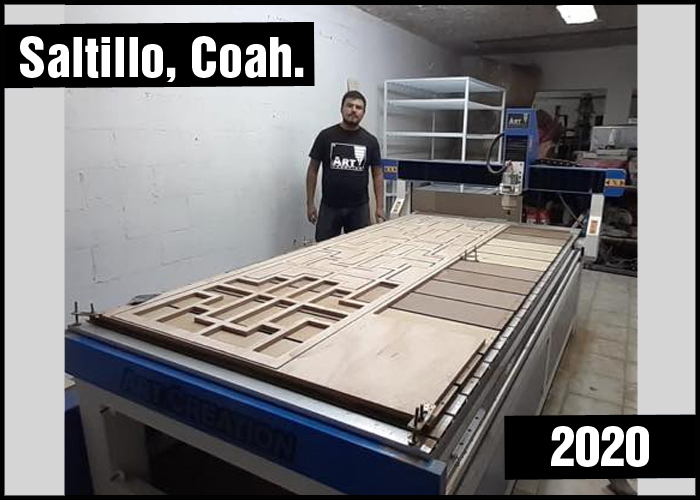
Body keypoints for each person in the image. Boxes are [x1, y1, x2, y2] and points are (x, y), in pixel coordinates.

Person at [305, 90, 384, 242]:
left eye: (358, 107)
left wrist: (379, 207)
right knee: (324, 250)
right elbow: (313, 170)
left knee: (359, 250)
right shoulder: (326, 136)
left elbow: (378, 174)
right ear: (341, 109)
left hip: (359, 209)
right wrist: (310, 203)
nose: (354, 110)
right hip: (329, 207)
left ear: (363, 113)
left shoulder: (370, 141)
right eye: (349, 105)